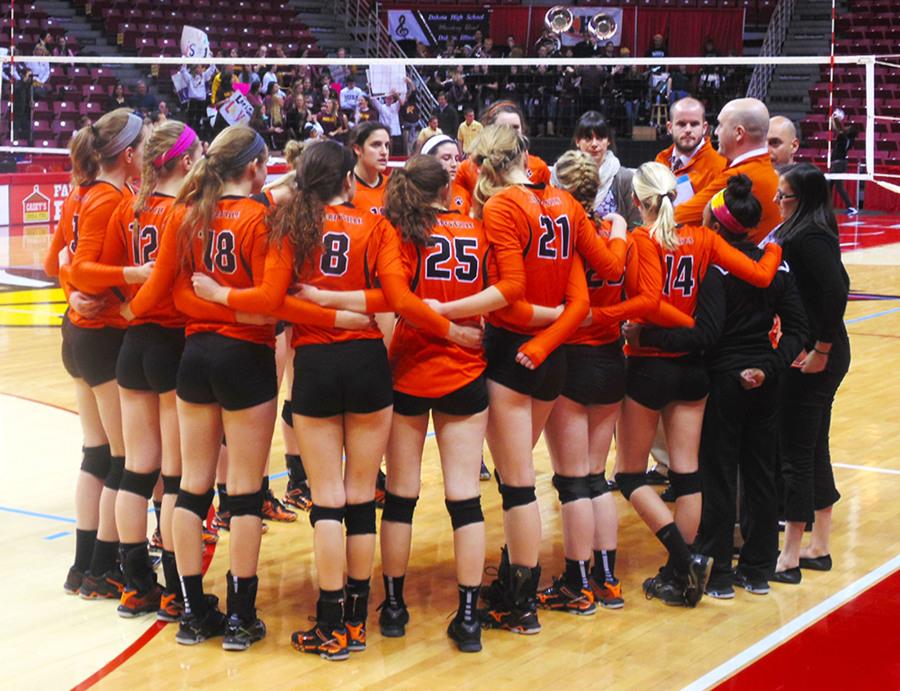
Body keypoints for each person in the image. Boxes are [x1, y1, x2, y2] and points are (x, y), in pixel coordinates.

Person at [229, 140, 475, 660]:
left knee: (327, 501)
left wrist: (322, 306)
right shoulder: (377, 226)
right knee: (363, 498)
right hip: (368, 366)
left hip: (315, 366)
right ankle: (361, 619)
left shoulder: (290, 224)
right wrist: (350, 312)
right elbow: (397, 298)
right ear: (347, 179)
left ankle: (330, 620)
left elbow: (275, 301)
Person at [436, 125, 627, 635]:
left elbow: (510, 293)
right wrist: (624, 230)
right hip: (554, 359)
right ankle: (518, 590)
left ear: (489, 165)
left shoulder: (501, 207)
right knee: (521, 481)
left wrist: (443, 311)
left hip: (511, 353)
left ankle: (520, 604)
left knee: (517, 486)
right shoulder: (566, 202)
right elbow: (605, 271)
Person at [128, 127, 274, 650]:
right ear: (255, 167)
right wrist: (229, 302)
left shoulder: (187, 216)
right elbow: (266, 306)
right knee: (246, 492)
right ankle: (240, 617)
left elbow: (163, 292)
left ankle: (191, 611)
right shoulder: (261, 217)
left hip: (194, 358)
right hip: (246, 357)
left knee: (191, 487)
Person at [616, 161, 783, 608]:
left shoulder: (638, 240)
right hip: (694, 369)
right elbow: (762, 275)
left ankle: (685, 558)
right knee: (689, 476)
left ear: (637, 201)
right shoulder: (705, 238)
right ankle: (679, 573)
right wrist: (776, 249)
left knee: (629, 475)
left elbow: (635, 300)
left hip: (649, 366)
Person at [530, 150, 667, 614]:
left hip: (572, 358)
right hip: (612, 359)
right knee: (596, 478)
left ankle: (577, 581)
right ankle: (607, 580)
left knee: (572, 482)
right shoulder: (617, 232)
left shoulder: (561, 237)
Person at [73, 122, 200, 619]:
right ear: (187, 162)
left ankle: (134, 585)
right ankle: (172, 590)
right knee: (172, 476)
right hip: (170, 341)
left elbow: (89, 269)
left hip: (132, 347)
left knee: (134, 472)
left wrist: (117, 306)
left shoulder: (130, 206)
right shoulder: (182, 213)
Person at [48, 109, 147, 599]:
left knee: (97, 453)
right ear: (128, 154)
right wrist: (122, 280)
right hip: (105, 336)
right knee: (123, 460)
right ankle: (104, 567)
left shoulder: (79, 194)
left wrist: (71, 292)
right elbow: (83, 267)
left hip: (77, 333)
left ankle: (82, 566)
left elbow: (56, 262)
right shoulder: (112, 199)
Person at [771, 163, 851, 583]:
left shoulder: (809, 237)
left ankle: (790, 555)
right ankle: (819, 546)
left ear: (802, 199)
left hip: (817, 356)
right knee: (813, 446)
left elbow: (838, 290)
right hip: (815, 351)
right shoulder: (807, 233)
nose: (777, 203)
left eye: (782, 196)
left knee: (797, 451)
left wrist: (820, 346)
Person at [675, 98, 781, 244]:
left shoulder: (740, 176)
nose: (716, 132)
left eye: (720, 125)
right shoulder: (765, 169)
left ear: (738, 133)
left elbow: (677, 217)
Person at [554, 111, 640, 228]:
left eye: (600, 138)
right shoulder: (562, 176)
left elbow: (636, 225)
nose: (594, 144)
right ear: (577, 141)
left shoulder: (624, 178)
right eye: (588, 138)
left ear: (608, 140)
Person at [454, 101, 551, 194]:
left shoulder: (539, 167)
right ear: (489, 130)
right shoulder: (467, 169)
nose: (510, 133)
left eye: (515, 127)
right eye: (503, 127)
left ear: (523, 129)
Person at [655, 98, 727, 207]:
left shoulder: (720, 167)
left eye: (694, 124)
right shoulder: (661, 161)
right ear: (670, 128)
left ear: (704, 128)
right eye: (681, 124)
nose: (688, 129)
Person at [419, 134, 471, 216]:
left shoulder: (464, 194)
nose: (454, 164)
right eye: (446, 158)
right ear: (428, 161)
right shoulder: (415, 193)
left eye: (457, 159)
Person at [350, 121, 391, 216]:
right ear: (358, 149)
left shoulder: (393, 187)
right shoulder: (343, 189)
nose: (384, 152)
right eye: (376, 145)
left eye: (387, 145)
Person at [829, 111, 860, 215]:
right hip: (839, 163)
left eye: (848, 127)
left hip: (838, 164)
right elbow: (838, 129)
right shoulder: (849, 140)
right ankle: (825, 207)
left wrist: (835, 118)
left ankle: (851, 207)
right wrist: (833, 120)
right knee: (829, 185)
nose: (846, 127)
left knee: (838, 186)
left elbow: (839, 129)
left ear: (849, 131)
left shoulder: (844, 137)